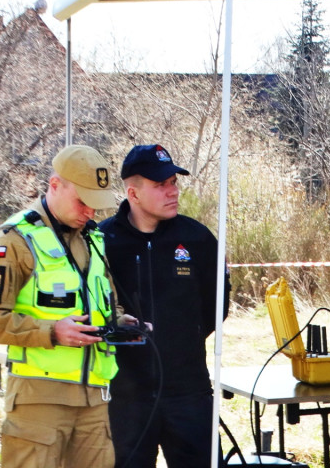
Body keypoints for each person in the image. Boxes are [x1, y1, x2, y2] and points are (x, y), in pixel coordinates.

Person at [0, 144, 121, 468]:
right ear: (55, 185)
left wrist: (122, 323)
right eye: (83, 201)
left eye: (96, 206)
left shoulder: (92, 239)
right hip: (38, 401)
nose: (90, 213)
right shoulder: (14, 240)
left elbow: (104, 304)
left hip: (95, 398)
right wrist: (52, 332)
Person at [99, 144, 230, 468]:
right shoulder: (102, 241)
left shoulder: (197, 238)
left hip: (188, 391)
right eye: (161, 185)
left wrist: (180, 339)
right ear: (133, 192)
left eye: (173, 182)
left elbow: (217, 305)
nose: (172, 192)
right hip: (126, 395)